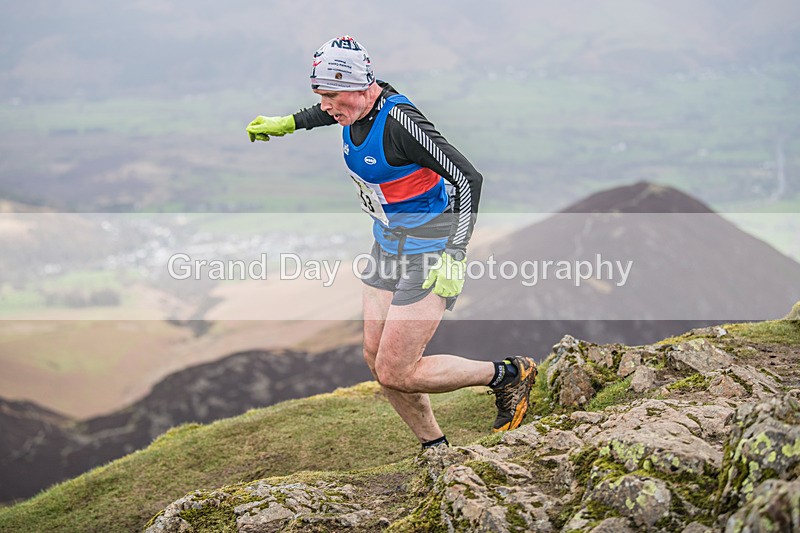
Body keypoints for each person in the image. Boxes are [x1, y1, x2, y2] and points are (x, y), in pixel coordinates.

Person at [247, 36, 537, 450]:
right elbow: (330, 112)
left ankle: (508, 375)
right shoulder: (353, 109)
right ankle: (434, 448)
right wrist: (288, 123)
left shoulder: (402, 124)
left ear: (359, 85)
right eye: (320, 95)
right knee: (375, 357)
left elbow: (468, 178)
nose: (327, 105)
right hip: (386, 247)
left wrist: (454, 255)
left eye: (331, 94)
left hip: (430, 250)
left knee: (397, 369)